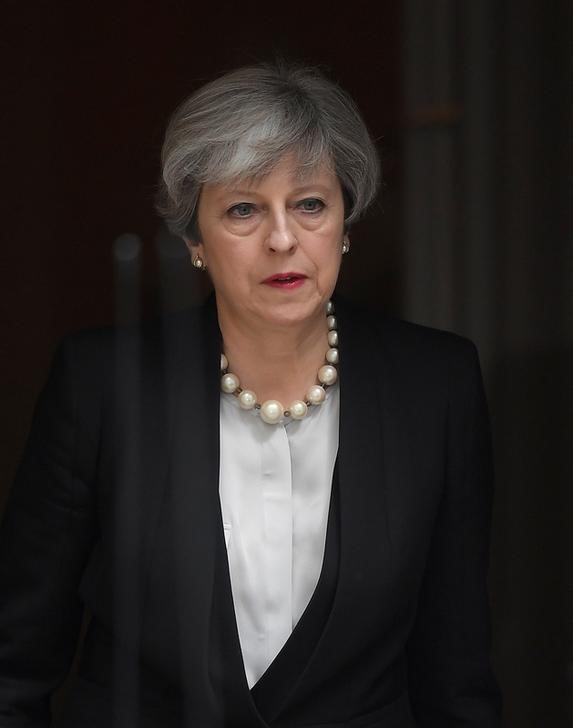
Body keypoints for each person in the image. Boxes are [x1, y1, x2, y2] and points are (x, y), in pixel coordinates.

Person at [0, 61, 502, 727]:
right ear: (194, 239)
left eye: (309, 204)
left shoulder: (435, 385)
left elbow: (455, 673)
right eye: (243, 208)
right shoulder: (101, 386)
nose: (282, 238)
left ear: (345, 222)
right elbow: (15, 667)